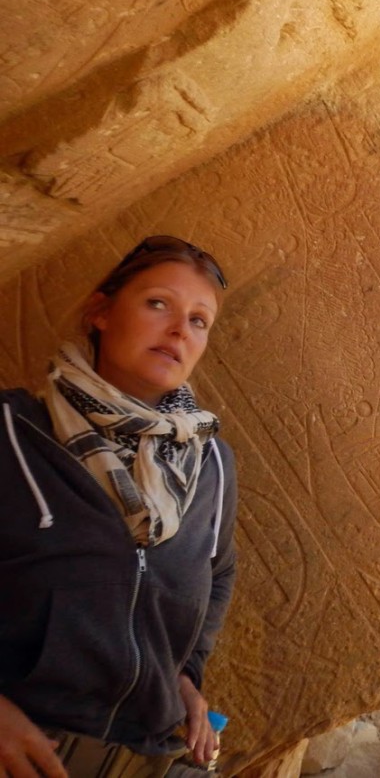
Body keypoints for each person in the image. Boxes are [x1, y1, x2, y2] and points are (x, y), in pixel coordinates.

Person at [0, 236, 238, 778]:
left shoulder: (212, 466)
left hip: (141, 759)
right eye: (159, 304)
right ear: (101, 313)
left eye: (199, 320)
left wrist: (183, 674)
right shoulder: (13, 432)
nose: (180, 330)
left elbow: (218, 571)